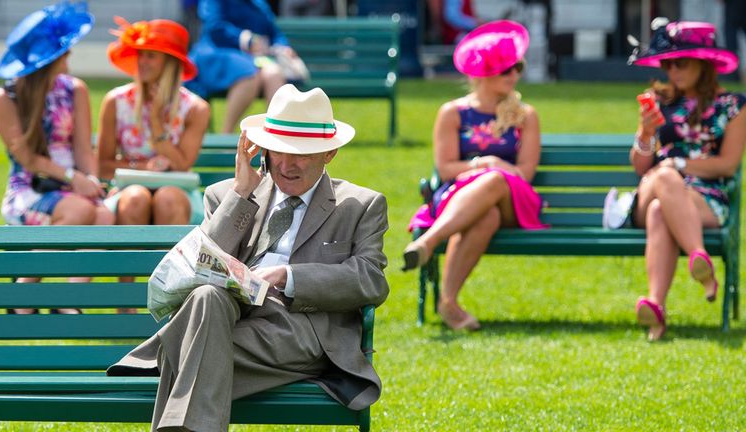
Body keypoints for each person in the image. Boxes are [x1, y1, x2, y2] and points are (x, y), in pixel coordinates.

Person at [107, 83, 389, 431]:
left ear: (329, 154)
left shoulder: (360, 204)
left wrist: (288, 276)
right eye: (277, 150)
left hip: (299, 327)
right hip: (228, 318)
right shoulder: (227, 194)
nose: (286, 164)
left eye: (300, 153)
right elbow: (199, 264)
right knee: (207, 296)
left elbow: (370, 279)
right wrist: (242, 192)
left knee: (189, 348)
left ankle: (169, 349)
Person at [403, 21, 546, 331]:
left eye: (517, 67)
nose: (515, 75)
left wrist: (492, 165)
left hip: (515, 199)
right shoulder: (452, 112)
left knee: (494, 181)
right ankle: (449, 304)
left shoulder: (526, 115)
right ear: (483, 74)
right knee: (486, 217)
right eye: (507, 69)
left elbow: (524, 172)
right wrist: (483, 164)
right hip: (462, 199)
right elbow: (445, 169)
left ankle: (430, 241)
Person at [0, 1, 114, 315]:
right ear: (48, 59)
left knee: (105, 215)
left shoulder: (76, 90)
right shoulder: (6, 98)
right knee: (80, 209)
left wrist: (93, 181)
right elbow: (28, 159)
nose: (69, 54)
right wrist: (76, 180)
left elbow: (84, 149)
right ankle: (22, 295)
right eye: (62, 50)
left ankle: (67, 299)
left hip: (73, 187)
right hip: (29, 190)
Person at [627, 19, 746, 341]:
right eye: (667, 63)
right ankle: (699, 258)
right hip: (653, 185)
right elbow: (641, 166)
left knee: (659, 213)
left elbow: (727, 164)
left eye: (680, 62)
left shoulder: (733, 106)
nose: (672, 70)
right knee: (664, 179)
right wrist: (647, 132)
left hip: (704, 198)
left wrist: (680, 162)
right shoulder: (659, 100)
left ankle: (655, 308)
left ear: (703, 63)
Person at [98, 17, 210, 314]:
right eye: (140, 55)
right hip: (126, 191)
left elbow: (184, 164)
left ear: (170, 62)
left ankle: (170, 299)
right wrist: (143, 164)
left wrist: (159, 132)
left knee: (168, 196)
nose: (141, 62)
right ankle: (127, 303)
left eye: (150, 55)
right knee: (136, 196)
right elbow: (103, 166)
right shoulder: (116, 101)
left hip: (178, 192)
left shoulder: (195, 107)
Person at [185, 0, 305, 133]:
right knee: (248, 73)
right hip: (218, 52)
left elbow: (274, 32)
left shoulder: (258, 3)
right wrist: (246, 40)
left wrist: (283, 47)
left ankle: (273, 136)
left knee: (274, 74)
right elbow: (215, 27)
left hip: (253, 57)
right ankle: (226, 136)